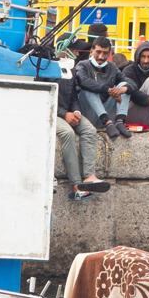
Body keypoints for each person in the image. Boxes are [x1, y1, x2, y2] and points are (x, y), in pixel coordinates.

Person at [47, 60, 110, 200]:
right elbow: (46, 96)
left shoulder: (72, 69)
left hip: (69, 112)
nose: (76, 53)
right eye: (74, 49)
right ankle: (76, 185)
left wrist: (76, 111)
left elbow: (73, 96)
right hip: (49, 111)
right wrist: (65, 114)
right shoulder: (47, 67)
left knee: (89, 130)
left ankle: (89, 176)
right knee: (67, 133)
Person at [75, 37, 135, 138]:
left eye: (105, 53)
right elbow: (83, 81)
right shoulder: (83, 65)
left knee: (124, 85)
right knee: (89, 88)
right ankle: (107, 122)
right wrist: (107, 90)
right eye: (98, 52)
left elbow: (132, 83)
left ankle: (120, 121)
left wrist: (124, 89)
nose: (101, 57)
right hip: (87, 113)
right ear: (91, 51)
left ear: (109, 53)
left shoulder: (112, 67)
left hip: (107, 111)